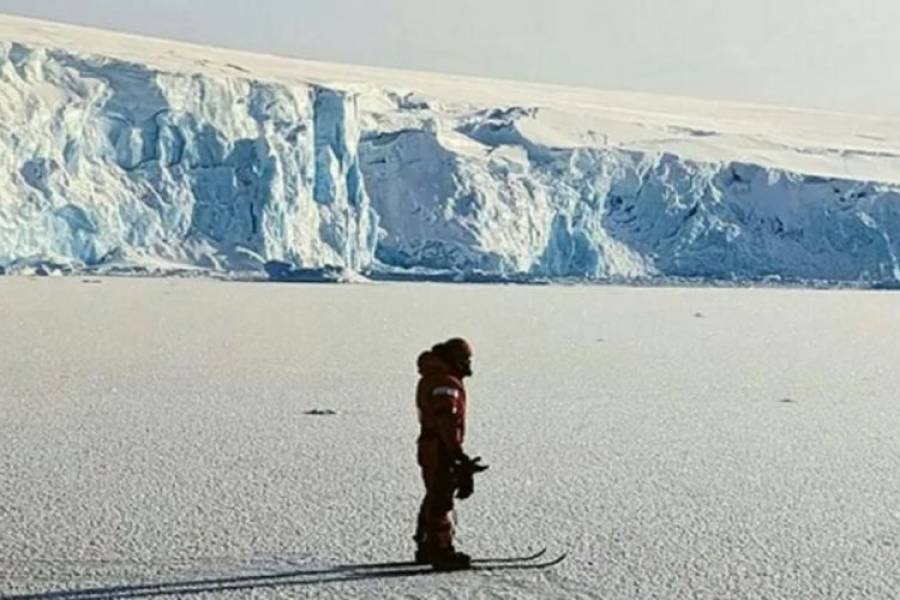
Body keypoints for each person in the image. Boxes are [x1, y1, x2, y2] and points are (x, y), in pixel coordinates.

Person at [413, 337, 486, 570]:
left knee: (434, 493)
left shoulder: (433, 377)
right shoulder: (446, 382)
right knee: (441, 499)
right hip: (440, 447)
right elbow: (447, 419)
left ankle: (426, 544)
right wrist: (456, 453)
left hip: (430, 445)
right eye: (465, 359)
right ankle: (440, 550)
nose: (468, 364)